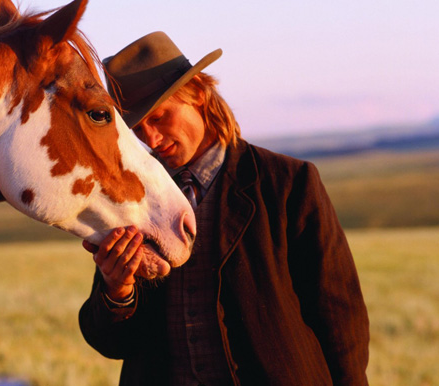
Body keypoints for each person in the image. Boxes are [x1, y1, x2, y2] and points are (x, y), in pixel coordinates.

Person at [78, 31, 369, 386]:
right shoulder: (131, 198)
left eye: (159, 117)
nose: (150, 139)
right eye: (137, 128)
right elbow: (111, 343)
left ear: (198, 93)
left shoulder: (289, 183)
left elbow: (340, 318)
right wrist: (117, 291)